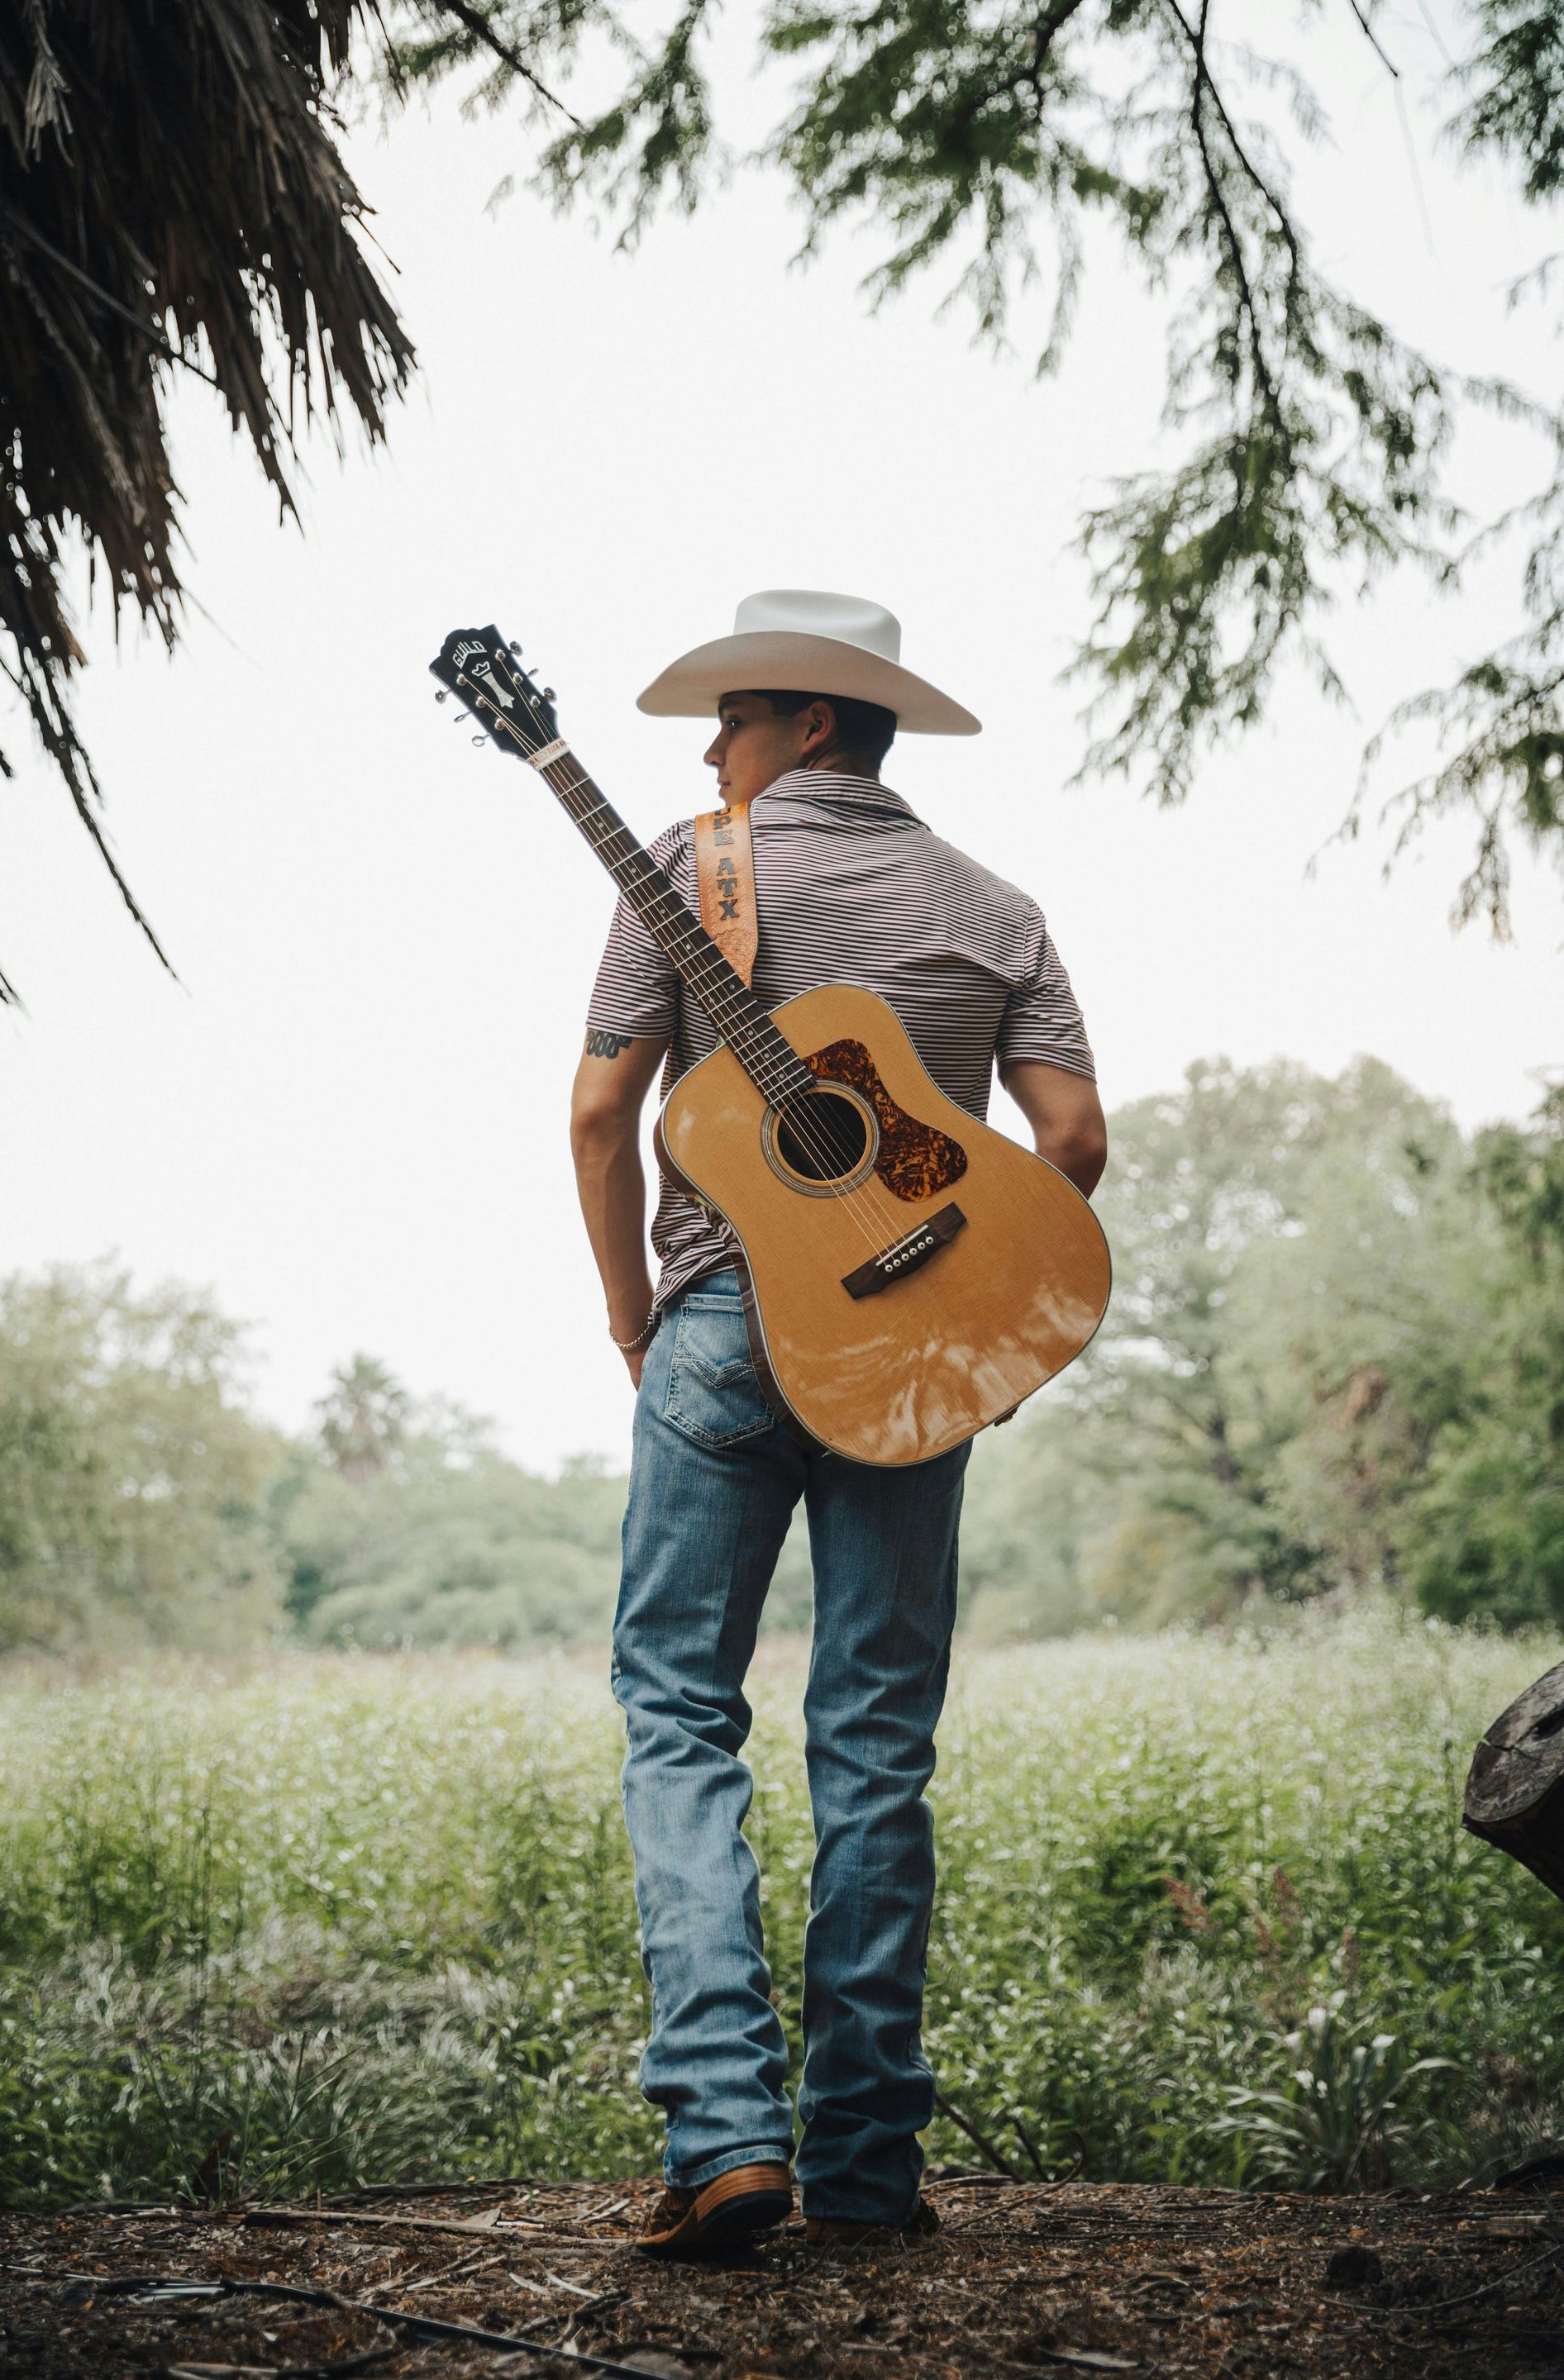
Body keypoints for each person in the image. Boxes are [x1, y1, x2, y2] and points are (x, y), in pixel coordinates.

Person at [569, 589, 1106, 2256]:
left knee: (676, 1708)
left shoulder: (692, 862)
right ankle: (869, 2172)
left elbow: (600, 1109)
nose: (709, 750)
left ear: (808, 722)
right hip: (914, 1340)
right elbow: (1072, 1140)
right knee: (877, 1742)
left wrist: (629, 1312)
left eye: (730, 718)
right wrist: (969, 1311)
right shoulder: (997, 906)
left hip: (726, 1321)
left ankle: (725, 2139)